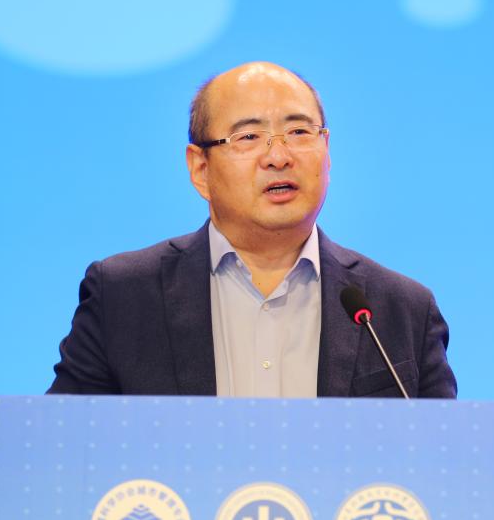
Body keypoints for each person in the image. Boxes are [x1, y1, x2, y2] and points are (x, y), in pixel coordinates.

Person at [48, 62, 456, 398]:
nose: (278, 157)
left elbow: (441, 459)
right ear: (200, 168)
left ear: (327, 152)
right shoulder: (123, 296)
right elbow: (62, 445)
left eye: (299, 132)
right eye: (248, 136)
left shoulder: (401, 310)